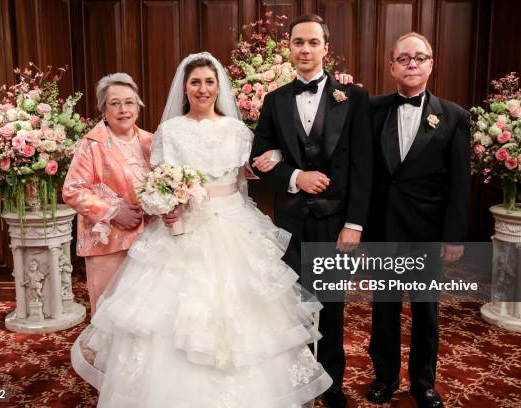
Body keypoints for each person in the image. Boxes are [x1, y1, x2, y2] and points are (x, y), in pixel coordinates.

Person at [70, 52, 332, 407]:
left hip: (234, 225)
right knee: (171, 319)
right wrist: (168, 205)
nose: (203, 88)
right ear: (184, 87)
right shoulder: (170, 131)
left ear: (219, 86)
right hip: (183, 228)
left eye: (210, 81)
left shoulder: (238, 130)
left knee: (244, 315)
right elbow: (159, 182)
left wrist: (278, 159)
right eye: (195, 82)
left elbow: (253, 171)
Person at [250, 14, 373, 408]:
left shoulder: (353, 98)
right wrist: (295, 177)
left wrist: (354, 223)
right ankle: (298, 380)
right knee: (294, 305)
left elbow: (362, 167)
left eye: (313, 42)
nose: (305, 49)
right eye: (298, 42)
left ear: (325, 48)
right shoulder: (275, 101)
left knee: (332, 307)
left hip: (335, 222)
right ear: (289, 47)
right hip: (289, 222)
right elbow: (259, 160)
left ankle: (332, 383)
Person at [363, 32, 470, 408]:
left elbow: (459, 183)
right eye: (404, 58)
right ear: (391, 66)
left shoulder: (455, 116)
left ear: (431, 64)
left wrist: (454, 236)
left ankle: (423, 383)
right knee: (384, 308)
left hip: (429, 231)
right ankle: (385, 378)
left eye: (419, 57)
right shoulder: (371, 109)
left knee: (427, 311)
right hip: (384, 229)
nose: (412, 64)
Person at [63, 73, 152, 315]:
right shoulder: (91, 144)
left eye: (129, 102)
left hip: (150, 242)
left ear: (137, 106)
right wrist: (113, 212)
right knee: (109, 313)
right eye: (115, 103)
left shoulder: (150, 142)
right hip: (108, 244)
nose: (123, 109)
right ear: (103, 108)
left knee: (144, 313)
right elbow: (72, 190)